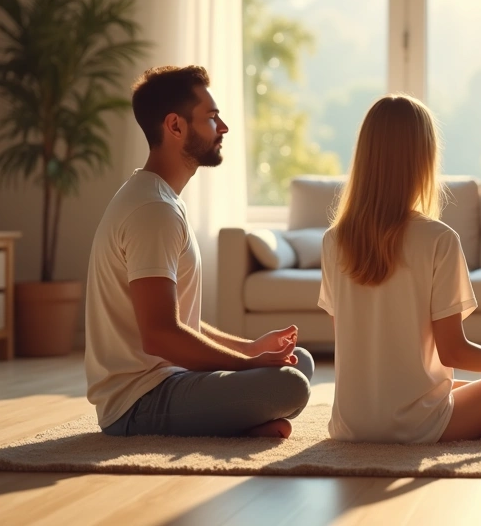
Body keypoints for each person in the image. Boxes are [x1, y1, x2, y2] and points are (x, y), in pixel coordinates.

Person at [319, 94, 481, 443]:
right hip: (415, 427)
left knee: (454, 385)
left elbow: (352, 344)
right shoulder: (438, 239)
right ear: (424, 159)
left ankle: (478, 421)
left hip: (350, 426)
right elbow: (453, 352)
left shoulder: (334, 240)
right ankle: (475, 425)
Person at [86, 65, 313, 439]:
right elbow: (160, 335)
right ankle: (232, 423)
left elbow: (177, 319)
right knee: (289, 385)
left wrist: (251, 348)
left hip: (170, 379)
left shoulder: (160, 200)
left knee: (297, 363)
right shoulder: (152, 211)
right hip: (138, 403)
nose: (222, 127)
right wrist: (247, 364)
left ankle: (233, 422)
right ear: (175, 126)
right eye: (211, 117)